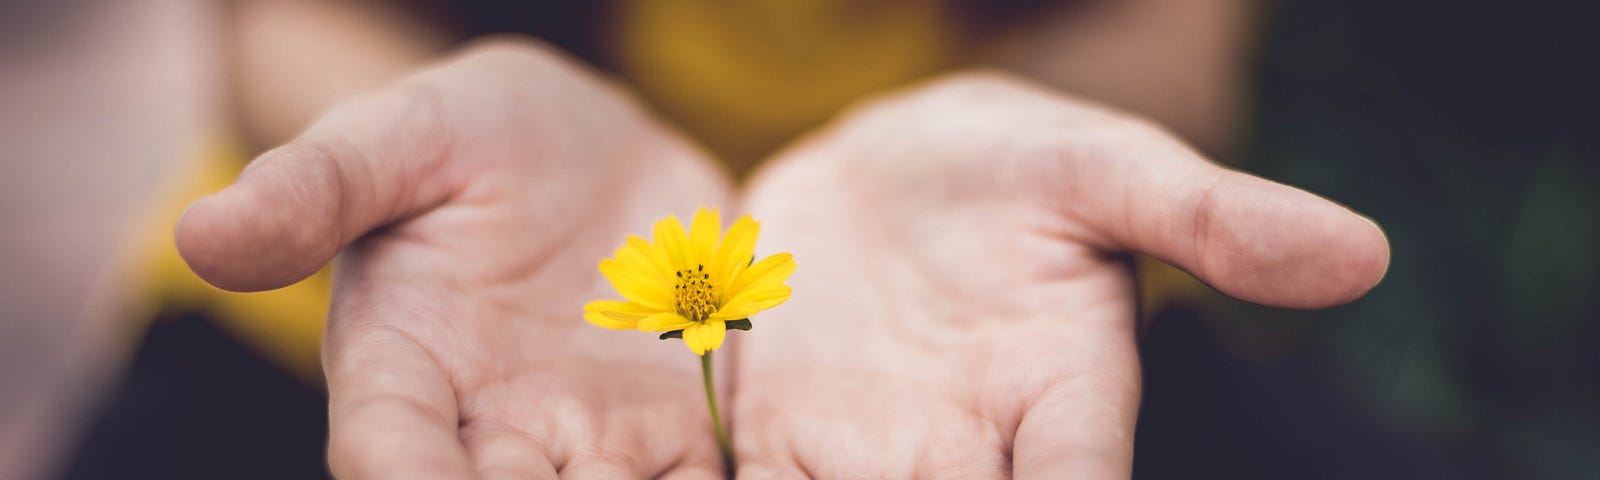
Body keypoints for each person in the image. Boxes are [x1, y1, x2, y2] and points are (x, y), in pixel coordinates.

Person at [170, 4, 1389, 479]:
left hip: (985, 304)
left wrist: (1022, 139)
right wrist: (408, 145)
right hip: (438, 292)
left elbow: (1161, 41)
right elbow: (285, 23)